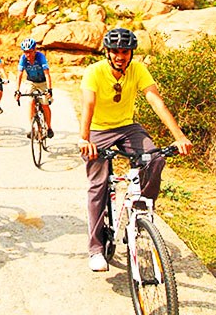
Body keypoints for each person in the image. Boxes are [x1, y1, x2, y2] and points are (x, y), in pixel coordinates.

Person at [78, 28, 192, 272]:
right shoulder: (94, 72)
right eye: (116, 51)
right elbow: (88, 103)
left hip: (127, 127)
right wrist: (84, 139)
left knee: (155, 158)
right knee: (98, 186)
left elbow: (155, 100)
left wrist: (179, 137)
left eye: (125, 52)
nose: (121, 56)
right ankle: (96, 249)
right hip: (98, 130)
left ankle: (141, 212)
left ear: (131, 53)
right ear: (107, 52)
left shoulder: (138, 69)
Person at [14, 38, 54, 138]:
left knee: (45, 104)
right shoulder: (23, 59)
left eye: (30, 51)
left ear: (35, 50)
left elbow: (47, 74)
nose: (27, 54)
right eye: (25, 52)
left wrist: (49, 90)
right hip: (31, 82)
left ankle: (49, 127)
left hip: (42, 82)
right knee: (31, 101)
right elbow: (19, 74)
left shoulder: (40, 57)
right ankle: (31, 127)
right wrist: (17, 90)